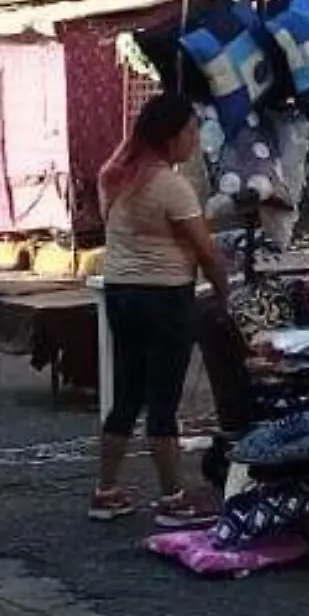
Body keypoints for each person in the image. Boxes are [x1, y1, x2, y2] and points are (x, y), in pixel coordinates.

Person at [90, 93, 230, 526]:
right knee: (163, 400)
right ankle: (173, 498)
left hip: (121, 293)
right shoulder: (170, 185)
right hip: (165, 297)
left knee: (127, 395)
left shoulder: (116, 175)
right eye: (190, 131)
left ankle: (105, 491)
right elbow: (206, 251)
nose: (194, 139)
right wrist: (225, 293)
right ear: (171, 137)